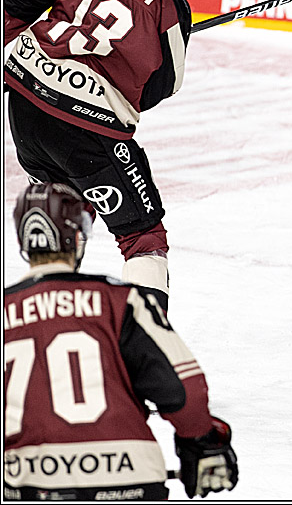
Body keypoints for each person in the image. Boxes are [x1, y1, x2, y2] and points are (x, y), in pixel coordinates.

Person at [3, 0, 207, 310]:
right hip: (89, 133)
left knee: (59, 222)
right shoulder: (171, 4)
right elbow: (163, 85)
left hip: (25, 107)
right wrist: (117, 72)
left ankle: (42, 328)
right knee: (143, 238)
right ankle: (149, 346)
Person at [3, 182, 238, 501]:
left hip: (29, 486)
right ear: (77, 235)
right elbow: (184, 387)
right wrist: (202, 442)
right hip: (131, 481)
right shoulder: (122, 300)